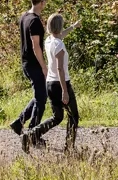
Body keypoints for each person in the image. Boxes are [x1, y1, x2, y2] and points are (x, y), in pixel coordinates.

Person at [22, 13, 81, 153]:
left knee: (57, 117)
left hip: (49, 83)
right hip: (60, 84)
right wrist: (65, 91)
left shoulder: (49, 41)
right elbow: (60, 69)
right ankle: (69, 148)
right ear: (59, 26)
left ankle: (30, 135)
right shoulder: (59, 45)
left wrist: (73, 27)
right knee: (73, 116)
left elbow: (61, 35)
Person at [10, 0, 48, 140]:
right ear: (41, 2)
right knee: (41, 98)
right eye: (45, 1)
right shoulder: (35, 21)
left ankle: (18, 123)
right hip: (34, 64)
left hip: (26, 62)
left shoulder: (24, 17)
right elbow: (35, 45)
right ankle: (33, 133)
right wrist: (44, 66)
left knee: (40, 95)